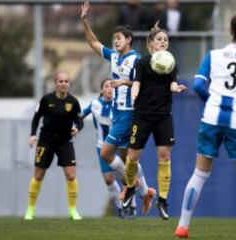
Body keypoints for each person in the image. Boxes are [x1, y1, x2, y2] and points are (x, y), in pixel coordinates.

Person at [174, 10, 236, 239]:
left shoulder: (213, 55)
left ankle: (183, 226)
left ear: (231, 31)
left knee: (199, 174)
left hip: (211, 119)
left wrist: (210, 103)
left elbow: (197, 85)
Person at [81, 0, 156, 216]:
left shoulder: (136, 60)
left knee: (106, 153)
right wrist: (85, 21)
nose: (115, 41)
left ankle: (133, 187)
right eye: (114, 38)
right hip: (118, 114)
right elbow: (93, 42)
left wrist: (126, 82)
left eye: (119, 38)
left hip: (128, 114)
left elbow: (145, 84)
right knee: (127, 159)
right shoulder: (114, 57)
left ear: (129, 40)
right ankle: (145, 190)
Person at [121, 23, 186, 220]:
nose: (163, 42)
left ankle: (163, 200)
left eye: (166, 40)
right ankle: (131, 187)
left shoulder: (171, 64)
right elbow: (137, 83)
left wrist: (175, 89)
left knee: (165, 157)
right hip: (142, 115)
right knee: (132, 157)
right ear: (151, 44)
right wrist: (133, 93)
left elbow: (173, 83)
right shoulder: (142, 63)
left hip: (163, 116)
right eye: (159, 39)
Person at [24, 72, 84, 221]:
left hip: (65, 141)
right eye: (61, 81)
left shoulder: (73, 101)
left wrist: (77, 128)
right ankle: (30, 210)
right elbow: (36, 119)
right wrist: (32, 135)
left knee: (71, 175)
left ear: (68, 84)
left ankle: (73, 211)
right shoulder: (46, 100)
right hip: (46, 140)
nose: (64, 83)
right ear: (55, 84)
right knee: (38, 175)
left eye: (66, 81)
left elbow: (80, 121)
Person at [82, 79, 123, 216]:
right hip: (102, 145)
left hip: (120, 143)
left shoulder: (120, 104)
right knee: (108, 180)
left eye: (112, 86)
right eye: (106, 86)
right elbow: (80, 115)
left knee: (126, 177)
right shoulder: (95, 104)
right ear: (101, 90)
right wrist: (73, 125)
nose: (110, 88)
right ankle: (120, 204)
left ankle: (129, 205)